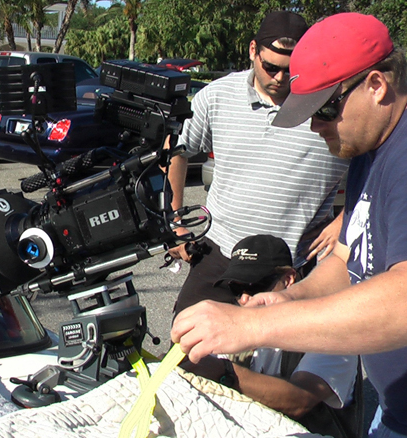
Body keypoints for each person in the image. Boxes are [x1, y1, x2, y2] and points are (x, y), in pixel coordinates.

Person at [171, 12, 407, 437]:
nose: (316, 127)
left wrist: (250, 326)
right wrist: (290, 298)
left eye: (326, 109)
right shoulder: (366, 149)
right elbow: (348, 256)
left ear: (377, 86)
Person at [167, 11, 349, 318]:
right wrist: (174, 220)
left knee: (278, 365)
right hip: (219, 255)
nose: (279, 78)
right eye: (270, 67)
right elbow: (177, 151)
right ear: (253, 50)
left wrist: (344, 221)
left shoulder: (330, 108)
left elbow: (377, 169)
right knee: (189, 351)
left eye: (289, 70)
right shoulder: (217, 96)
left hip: (292, 268)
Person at [179, 234, 361, 437]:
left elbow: (301, 400)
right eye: (236, 289)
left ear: (288, 279)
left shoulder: (331, 329)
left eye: (254, 286)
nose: (245, 298)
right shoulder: (232, 322)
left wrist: (226, 372)